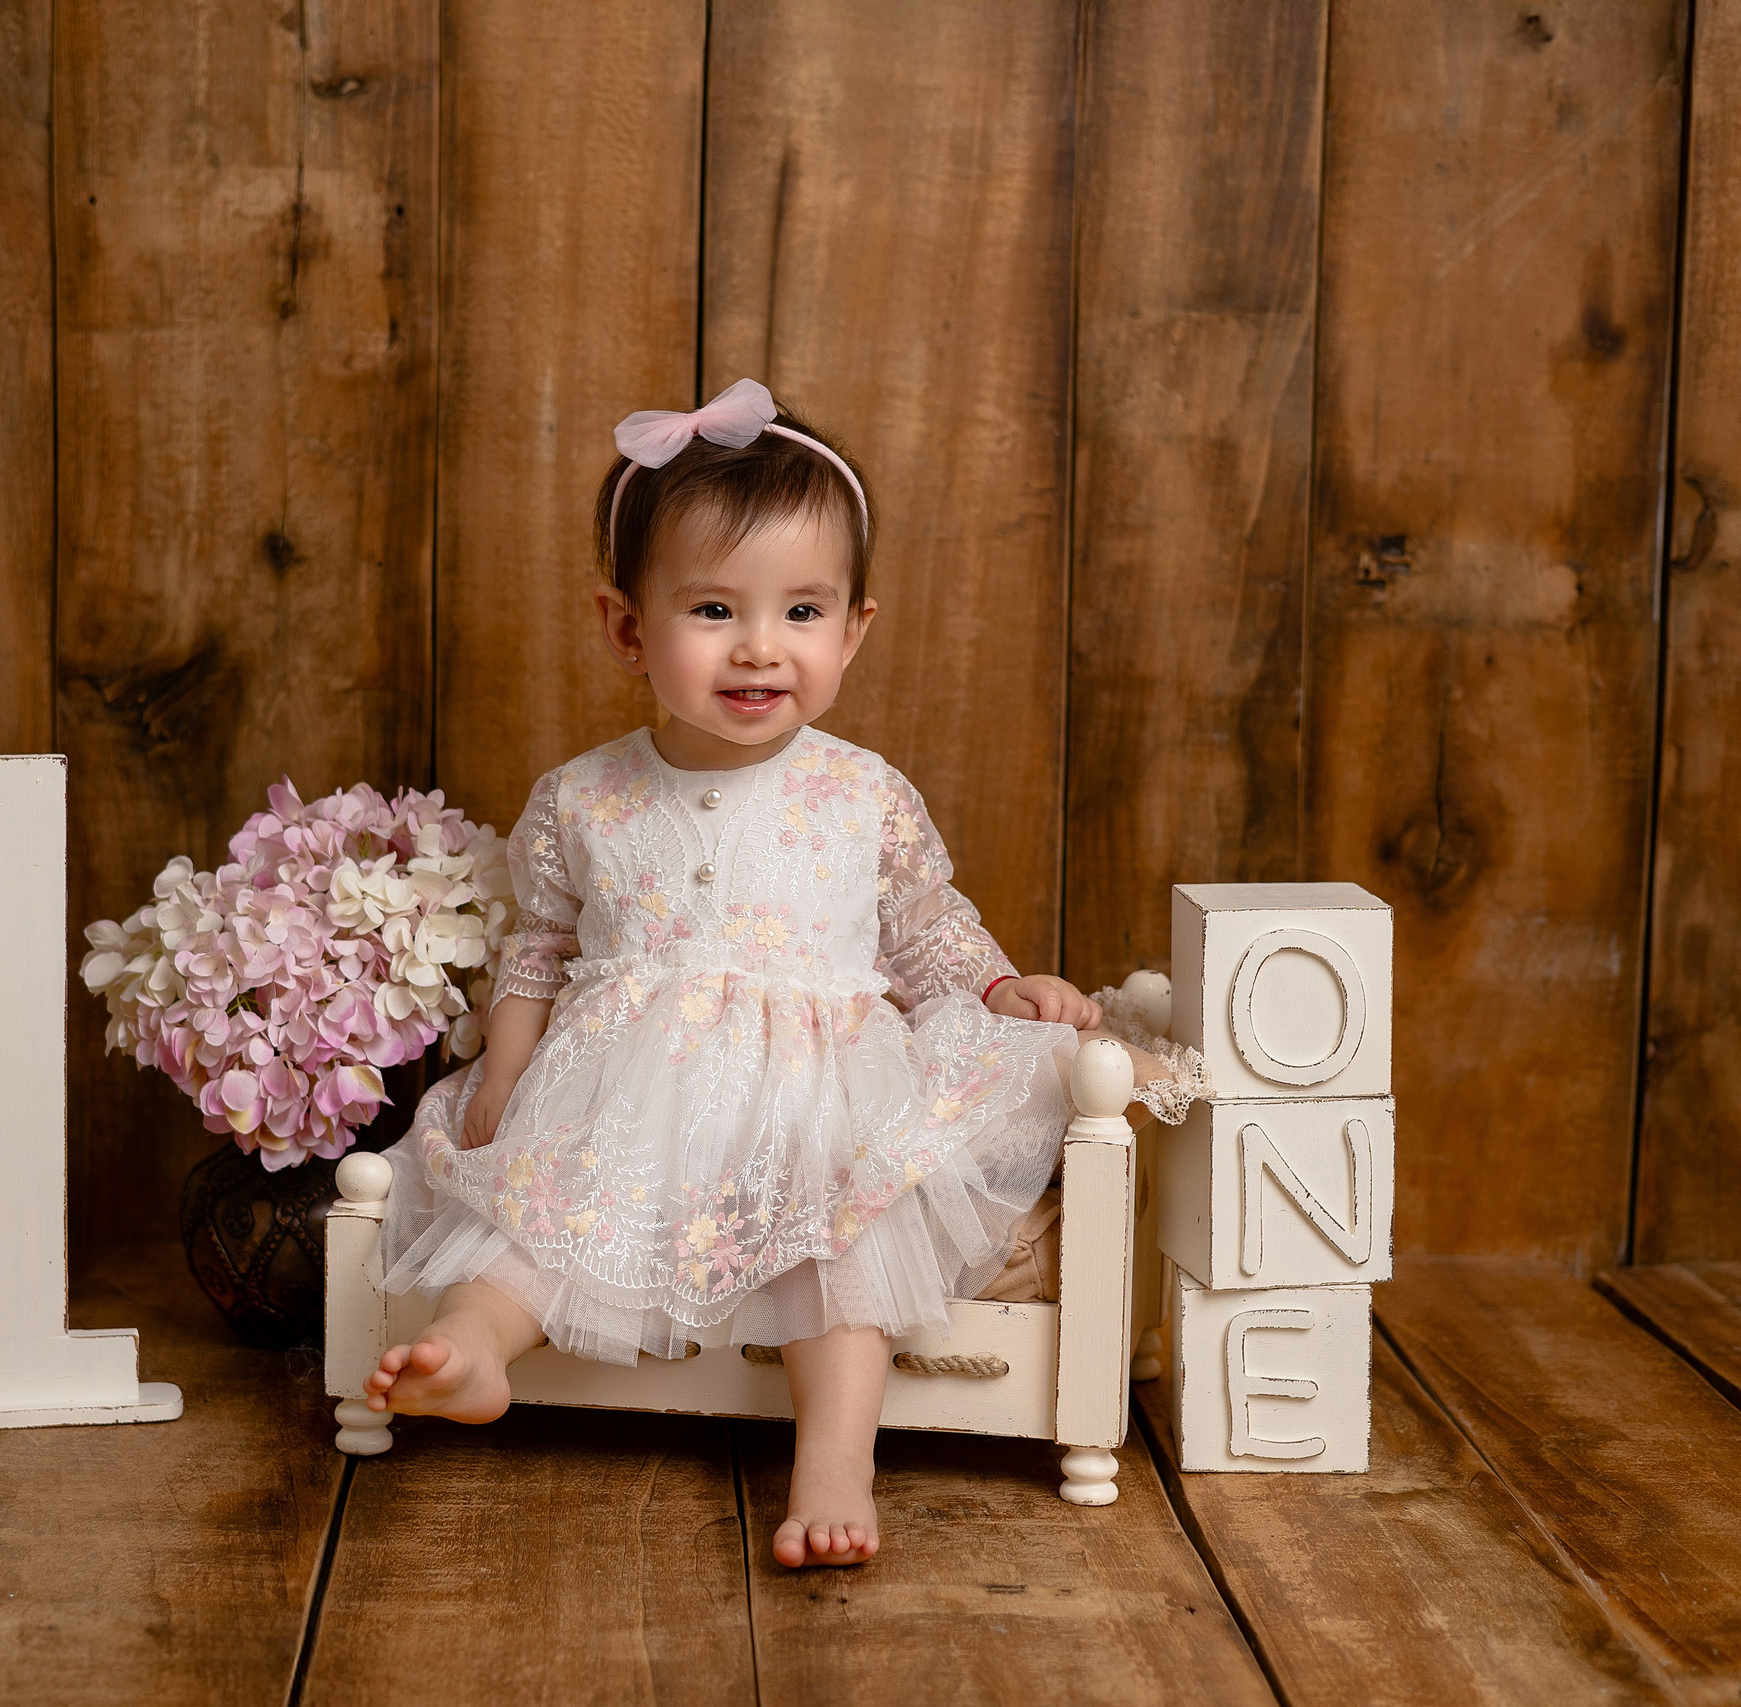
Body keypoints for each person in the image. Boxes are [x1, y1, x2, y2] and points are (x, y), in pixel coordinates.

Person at [358, 379, 1200, 1568]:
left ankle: (835, 1452)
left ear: (851, 629)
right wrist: (504, 1069)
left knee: (843, 1221)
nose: (761, 646)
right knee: (539, 1202)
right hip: (626, 1082)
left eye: (801, 610)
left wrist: (1005, 989)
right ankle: (476, 1342)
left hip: (816, 1078)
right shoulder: (581, 796)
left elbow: (920, 923)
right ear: (626, 627)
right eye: (713, 607)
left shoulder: (859, 791)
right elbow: (537, 949)